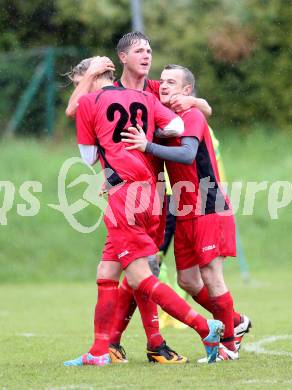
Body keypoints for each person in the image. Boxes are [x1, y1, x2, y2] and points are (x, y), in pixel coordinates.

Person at [65, 31, 213, 364]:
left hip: (141, 193)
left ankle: (205, 328)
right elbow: (176, 125)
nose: (147, 55)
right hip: (139, 189)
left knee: (140, 275)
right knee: (112, 272)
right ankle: (110, 348)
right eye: (139, 50)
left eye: (149, 49)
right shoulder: (143, 97)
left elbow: (80, 128)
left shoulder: (149, 91)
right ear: (122, 59)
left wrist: (143, 144)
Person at [121, 64, 251, 361]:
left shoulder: (191, 116)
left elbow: (188, 154)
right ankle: (237, 322)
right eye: (162, 81)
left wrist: (148, 145)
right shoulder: (168, 113)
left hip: (208, 204)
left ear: (186, 90)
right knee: (188, 281)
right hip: (184, 209)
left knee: (211, 275)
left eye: (171, 82)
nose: (163, 85)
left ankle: (228, 346)